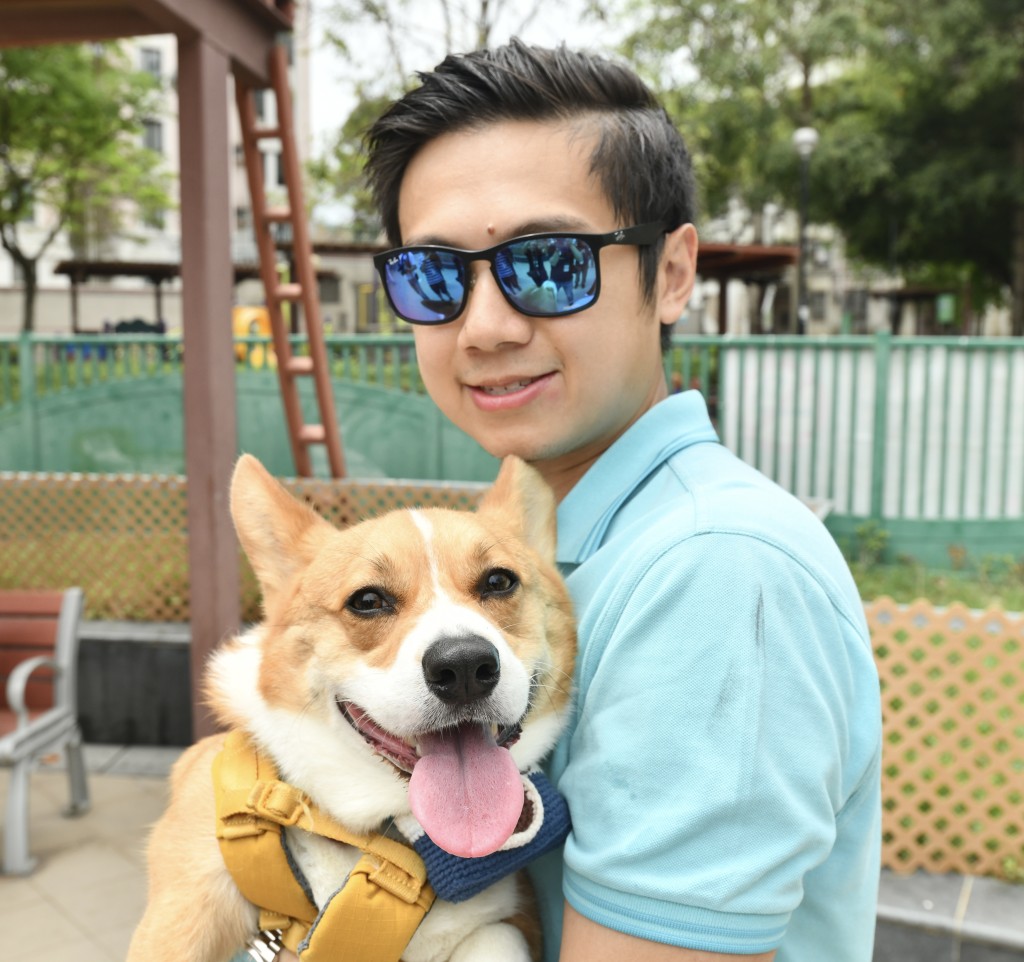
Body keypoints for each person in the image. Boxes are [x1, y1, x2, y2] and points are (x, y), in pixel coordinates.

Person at [257, 39, 882, 962]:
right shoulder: (541, 546)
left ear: (671, 273)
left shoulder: (715, 570)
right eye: (436, 277)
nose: (485, 327)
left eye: (548, 263)